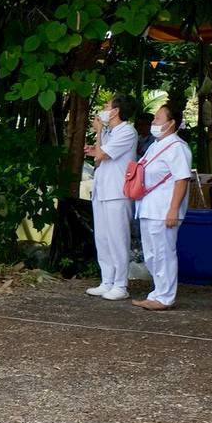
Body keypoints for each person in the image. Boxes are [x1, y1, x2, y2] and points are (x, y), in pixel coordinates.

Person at [133, 106, 193, 311]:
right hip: (148, 206)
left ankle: (165, 296)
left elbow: (182, 179)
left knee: (163, 252)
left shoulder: (177, 147)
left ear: (171, 123)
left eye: (158, 119)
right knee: (151, 253)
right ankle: (157, 292)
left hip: (164, 208)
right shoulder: (155, 145)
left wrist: (173, 209)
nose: (154, 123)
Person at [84, 94, 137, 301]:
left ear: (115, 111)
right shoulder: (110, 131)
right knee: (103, 238)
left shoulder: (127, 131)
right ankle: (106, 280)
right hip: (102, 190)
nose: (104, 109)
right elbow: (98, 159)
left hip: (117, 193)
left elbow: (101, 155)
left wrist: (97, 134)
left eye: (107, 105)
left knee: (117, 238)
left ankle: (120, 284)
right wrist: (96, 146)